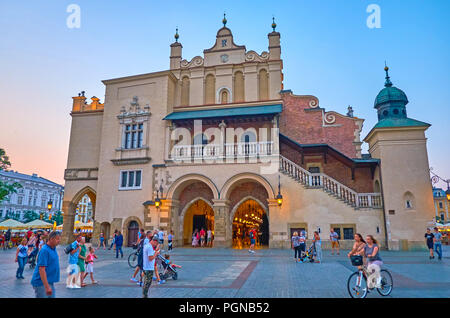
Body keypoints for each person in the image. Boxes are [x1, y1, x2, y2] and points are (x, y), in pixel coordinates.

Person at [30, 231, 61, 298]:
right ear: (51, 239)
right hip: (41, 283)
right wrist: (47, 287)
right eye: (57, 239)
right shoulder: (45, 250)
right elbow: (41, 269)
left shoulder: (53, 248)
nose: (59, 241)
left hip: (49, 281)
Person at [142, 232, 160, 298]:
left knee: (146, 283)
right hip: (149, 268)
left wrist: (156, 251)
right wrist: (156, 254)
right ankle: (145, 295)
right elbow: (150, 258)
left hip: (146, 267)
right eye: (157, 243)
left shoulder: (148, 245)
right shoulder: (149, 247)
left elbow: (150, 255)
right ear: (154, 241)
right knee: (147, 283)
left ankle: (144, 294)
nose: (157, 244)